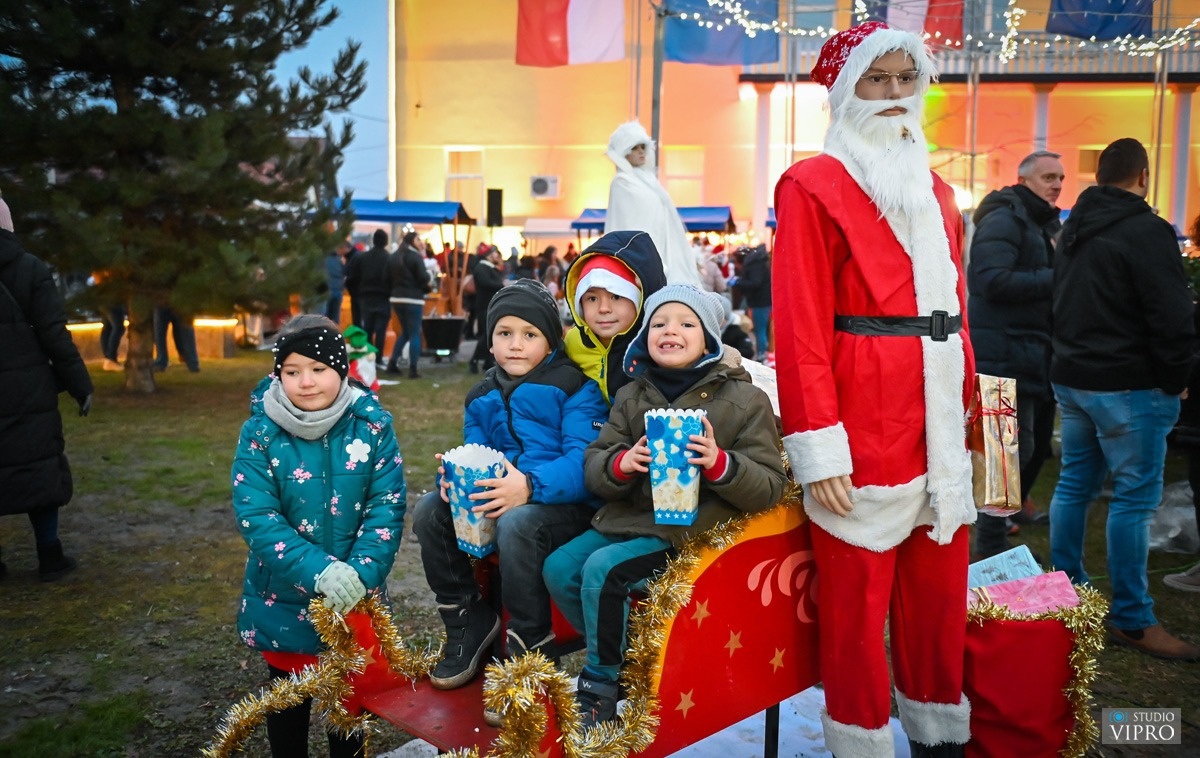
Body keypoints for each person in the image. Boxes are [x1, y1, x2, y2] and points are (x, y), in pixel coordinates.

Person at [773, 23, 977, 757]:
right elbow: (798, 326)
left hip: (937, 423)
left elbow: (954, 311)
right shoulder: (811, 185)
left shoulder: (938, 187)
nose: (894, 96)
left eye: (904, 80)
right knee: (856, 607)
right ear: (844, 91)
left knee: (938, 599)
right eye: (876, 80)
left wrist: (974, 423)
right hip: (862, 424)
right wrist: (820, 448)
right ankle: (860, 740)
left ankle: (937, 734)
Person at [544, 284, 786, 727]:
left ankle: (600, 683)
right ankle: (631, 652)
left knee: (603, 569)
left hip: (694, 530)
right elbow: (596, 462)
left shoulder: (745, 401)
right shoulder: (633, 394)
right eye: (659, 323)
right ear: (644, 338)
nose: (670, 331)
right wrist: (623, 462)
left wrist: (719, 464)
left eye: (685, 323)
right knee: (560, 568)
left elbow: (770, 484)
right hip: (629, 519)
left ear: (709, 339)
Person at [410, 280, 609, 726]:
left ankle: (530, 651)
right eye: (504, 333)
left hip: (566, 507)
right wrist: (456, 478)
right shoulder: (481, 394)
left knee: (518, 523)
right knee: (428, 512)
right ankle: (467, 618)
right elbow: (479, 450)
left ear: (550, 339)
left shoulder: (575, 388)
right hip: (507, 495)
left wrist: (530, 486)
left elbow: (585, 461)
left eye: (529, 334)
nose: (515, 345)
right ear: (489, 339)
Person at [1048, 137, 1199, 660]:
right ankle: (1132, 619)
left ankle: (1066, 594)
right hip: (1128, 385)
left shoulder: (1073, 229)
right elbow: (1173, 315)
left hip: (1076, 377)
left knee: (1074, 487)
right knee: (1133, 501)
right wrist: (1176, 375)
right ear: (1143, 176)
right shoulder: (1146, 230)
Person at [231, 313, 406, 757]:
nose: (306, 382)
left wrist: (362, 573)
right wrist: (319, 571)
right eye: (292, 372)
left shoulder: (371, 427)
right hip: (285, 601)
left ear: (342, 370)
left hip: (354, 603)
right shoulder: (260, 433)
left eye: (318, 370)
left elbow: (385, 508)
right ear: (278, 375)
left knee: (347, 710)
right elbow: (258, 516)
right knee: (287, 707)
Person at [967, 150, 1065, 557]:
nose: (1057, 184)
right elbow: (989, 279)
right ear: (1024, 180)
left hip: (1025, 356)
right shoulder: (1006, 218)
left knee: (1025, 453)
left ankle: (995, 543)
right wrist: (1059, 278)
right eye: (1048, 177)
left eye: (1060, 177)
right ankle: (988, 555)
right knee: (1001, 464)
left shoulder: (1037, 223)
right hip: (1000, 358)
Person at [0, 197, 92, 581]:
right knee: (38, 465)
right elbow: (55, 335)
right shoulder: (30, 268)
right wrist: (79, 384)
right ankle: (49, 554)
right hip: (28, 389)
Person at [562, 230, 667, 405]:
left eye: (617, 296)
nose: (603, 309)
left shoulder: (655, 343)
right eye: (592, 298)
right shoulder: (574, 341)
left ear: (640, 300)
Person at [603, 120, 702, 287]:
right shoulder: (622, 182)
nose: (641, 152)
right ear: (624, 152)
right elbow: (630, 224)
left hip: (663, 248)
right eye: (634, 147)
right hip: (642, 254)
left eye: (643, 147)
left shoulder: (649, 180)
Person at [386, 231, 431, 379]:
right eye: (418, 239)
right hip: (413, 299)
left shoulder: (394, 256)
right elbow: (423, 277)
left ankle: (392, 363)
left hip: (396, 298)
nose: (420, 242)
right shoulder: (415, 257)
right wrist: (429, 277)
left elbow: (387, 277)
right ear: (412, 240)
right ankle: (413, 369)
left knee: (405, 332)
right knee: (414, 334)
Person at [344, 229, 393, 355]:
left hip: (365, 297)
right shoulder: (389, 258)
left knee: (368, 329)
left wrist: (356, 293)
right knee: (381, 330)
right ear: (386, 242)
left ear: (373, 240)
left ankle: (368, 355)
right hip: (383, 297)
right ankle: (378, 357)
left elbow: (352, 277)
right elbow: (393, 279)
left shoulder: (362, 257)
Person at [467, 245, 505, 374]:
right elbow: (486, 283)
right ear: (489, 254)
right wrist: (502, 284)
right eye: (495, 253)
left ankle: (487, 362)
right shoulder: (482, 268)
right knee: (487, 335)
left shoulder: (488, 267)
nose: (497, 256)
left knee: (490, 334)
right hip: (485, 306)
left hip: (489, 305)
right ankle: (474, 360)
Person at [737, 243, 772, 361]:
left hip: (760, 301)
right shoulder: (759, 262)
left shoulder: (755, 264)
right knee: (760, 328)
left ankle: (762, 354)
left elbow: (755, 282)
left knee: (760, 329)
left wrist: (740, 282)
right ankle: (762, 352)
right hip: (762, 300)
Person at [153, 304, 200, 372]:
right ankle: (192, 362)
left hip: (165, 299)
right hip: (170, 300)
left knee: (160, 330)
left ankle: (161, 362)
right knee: (184, 329)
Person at [719, 296, 755, 360]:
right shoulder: (711, 330)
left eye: (719, 318)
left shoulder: (736, 332)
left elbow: (749, 351)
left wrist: (724, 354)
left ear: (726, 318)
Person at [325, 241, 349, 324]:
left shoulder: (323, 260)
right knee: (335, 317)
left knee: (325, 318)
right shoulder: (339, 260)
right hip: (338, 290)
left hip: (327, 291)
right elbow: (345, 273)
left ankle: (325, 335)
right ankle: (335, 335)